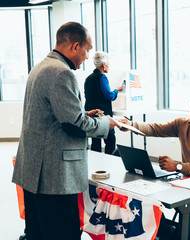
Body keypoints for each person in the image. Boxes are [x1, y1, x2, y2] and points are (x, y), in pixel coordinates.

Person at [12, 22, 117, 240]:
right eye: (87, 50)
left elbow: (49, 115)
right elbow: (74, 125)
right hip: (54, 178)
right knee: (63, 233)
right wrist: (107, 124)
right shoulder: (62, 73)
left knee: (38, 233)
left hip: (34, 172)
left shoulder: (41, 67)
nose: (88, 57)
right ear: (75, 47)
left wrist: (83, 113)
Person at [119, 95, 190, 240]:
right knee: (147, 198)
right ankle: (169, 236)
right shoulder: (183, 124)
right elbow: (155, 129)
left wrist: (177, 166)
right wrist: (131, 124)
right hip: (185, 182)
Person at [84, 51, 124, 154]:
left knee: (95, 143)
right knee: (110, 141)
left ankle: (97, 168)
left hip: (92, 117)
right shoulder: (102, 77)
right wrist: (117, 90)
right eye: (108, 63)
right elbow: (109, 96)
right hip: (103, 116)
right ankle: (108, 165)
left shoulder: (88, 78)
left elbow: (86, 95)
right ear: (104, 64)